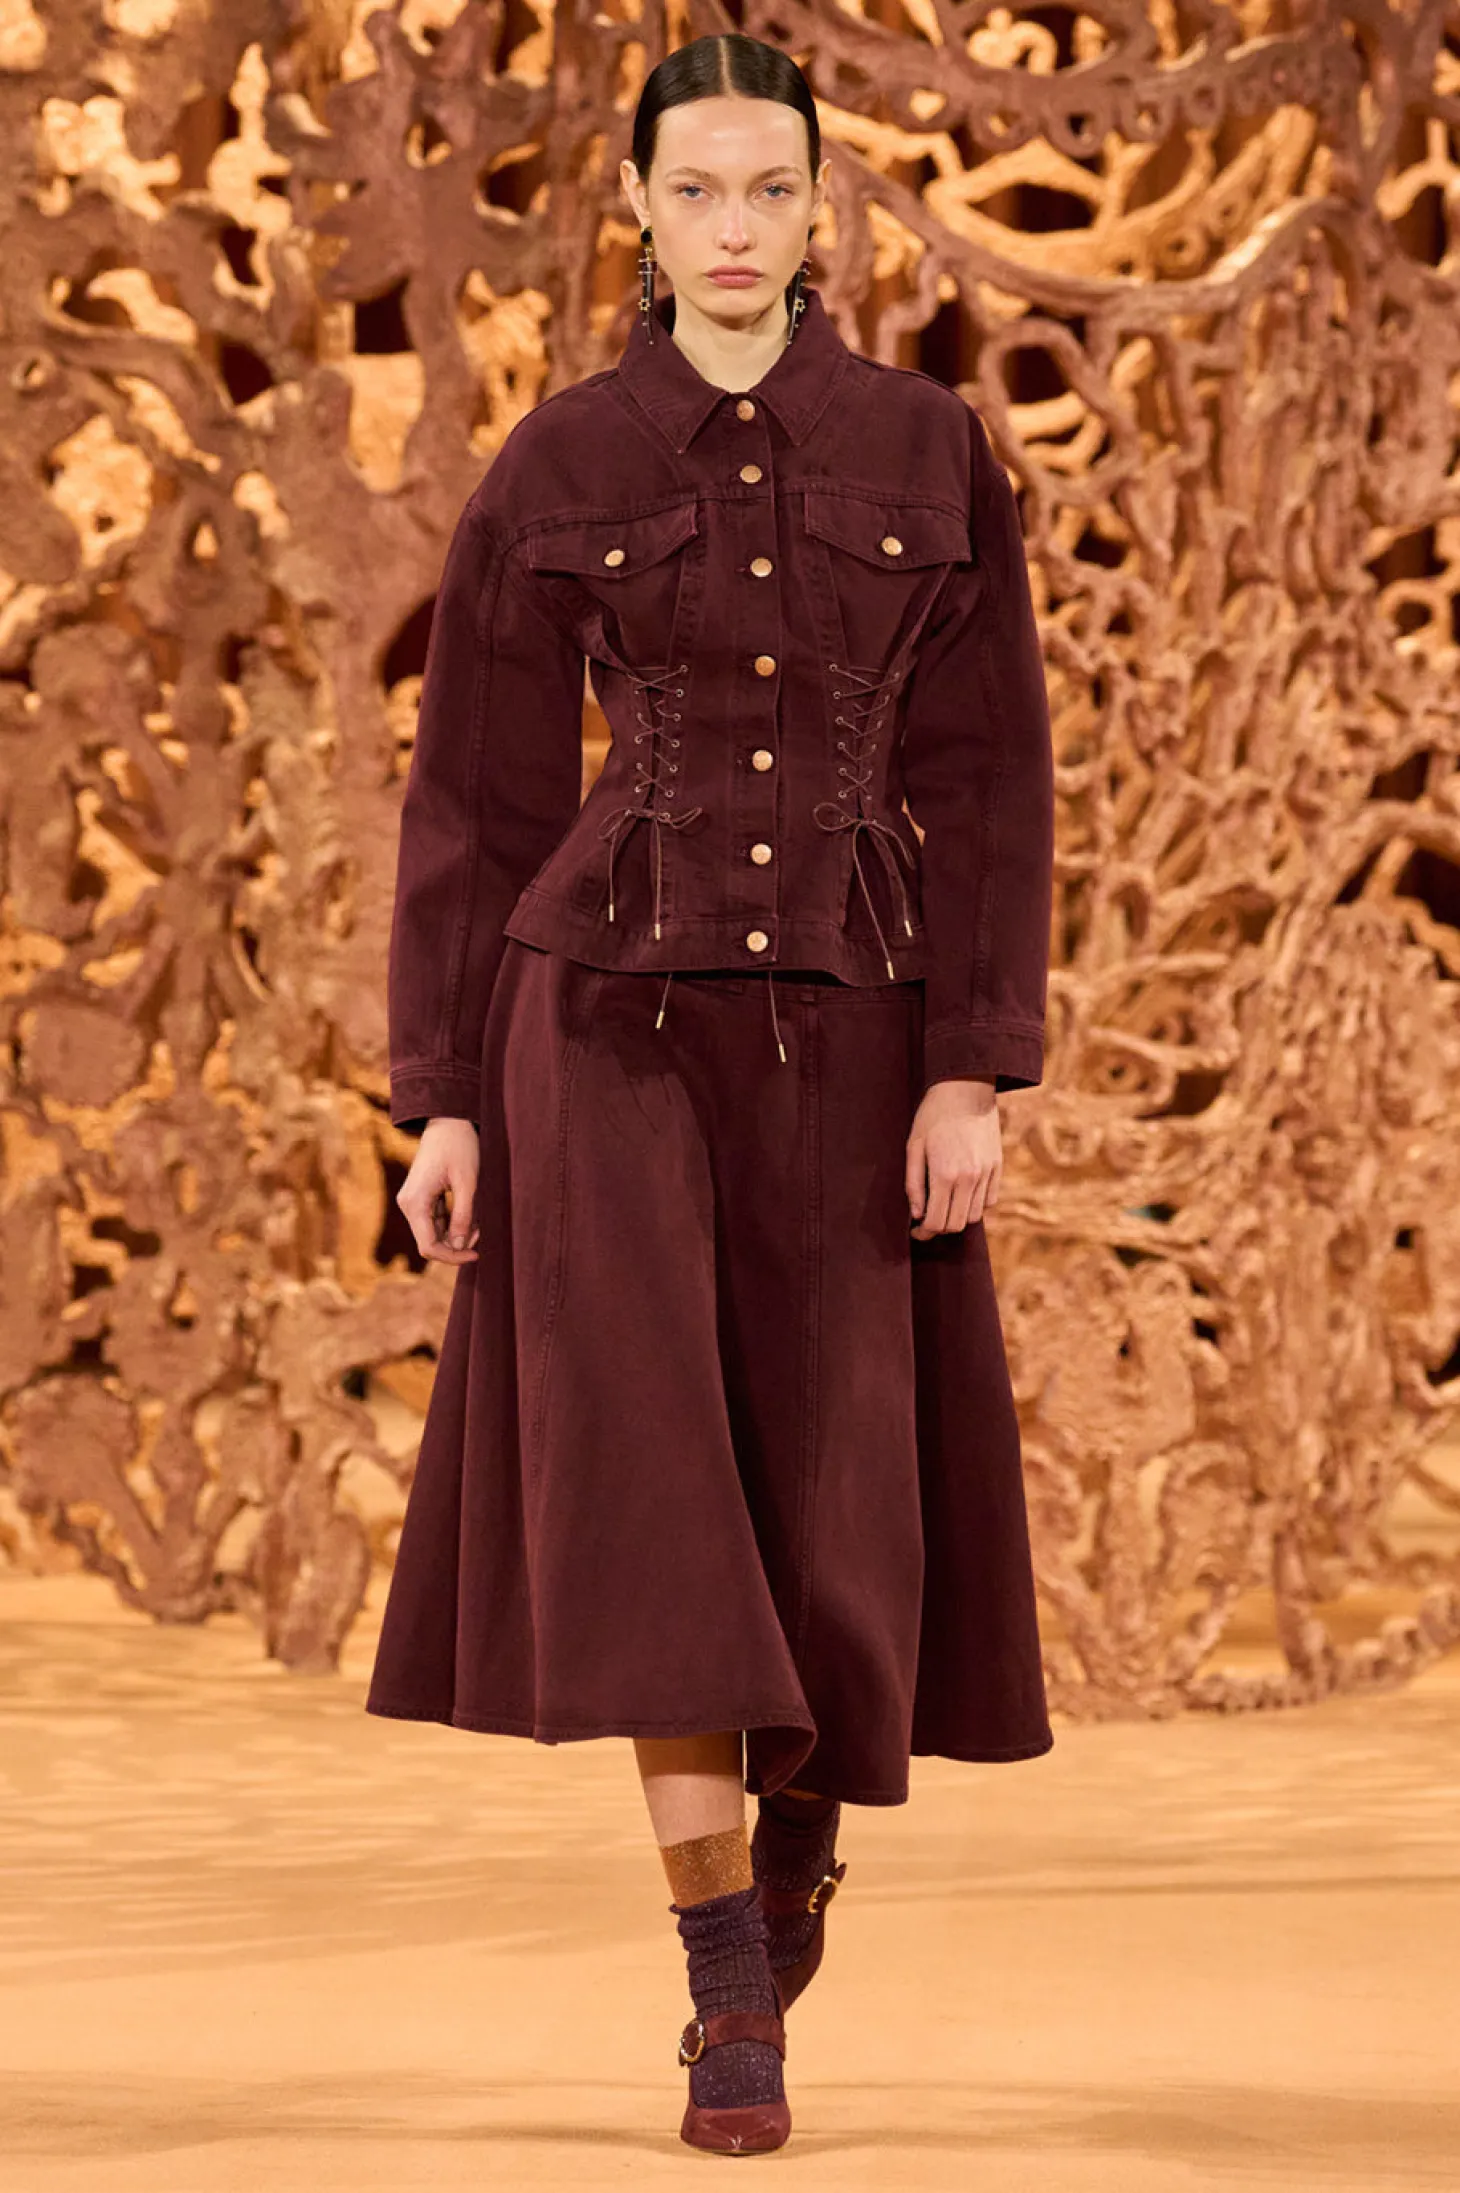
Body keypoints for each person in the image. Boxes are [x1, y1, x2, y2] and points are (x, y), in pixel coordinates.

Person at [367, 30, 1057, 2159]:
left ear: (818, 203)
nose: (735, 228)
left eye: (771, 189)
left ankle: (797, 1849)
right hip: (599, 1036)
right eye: (697, 192)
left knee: (839, 1511)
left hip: (858, 1027)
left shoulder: (926, 446)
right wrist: (444, 1097)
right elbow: (477, 798)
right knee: (652, 1499)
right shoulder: (561, 462)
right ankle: (724, 1984)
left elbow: (989, 779)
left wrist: (973, 1064)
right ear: (642, 214)